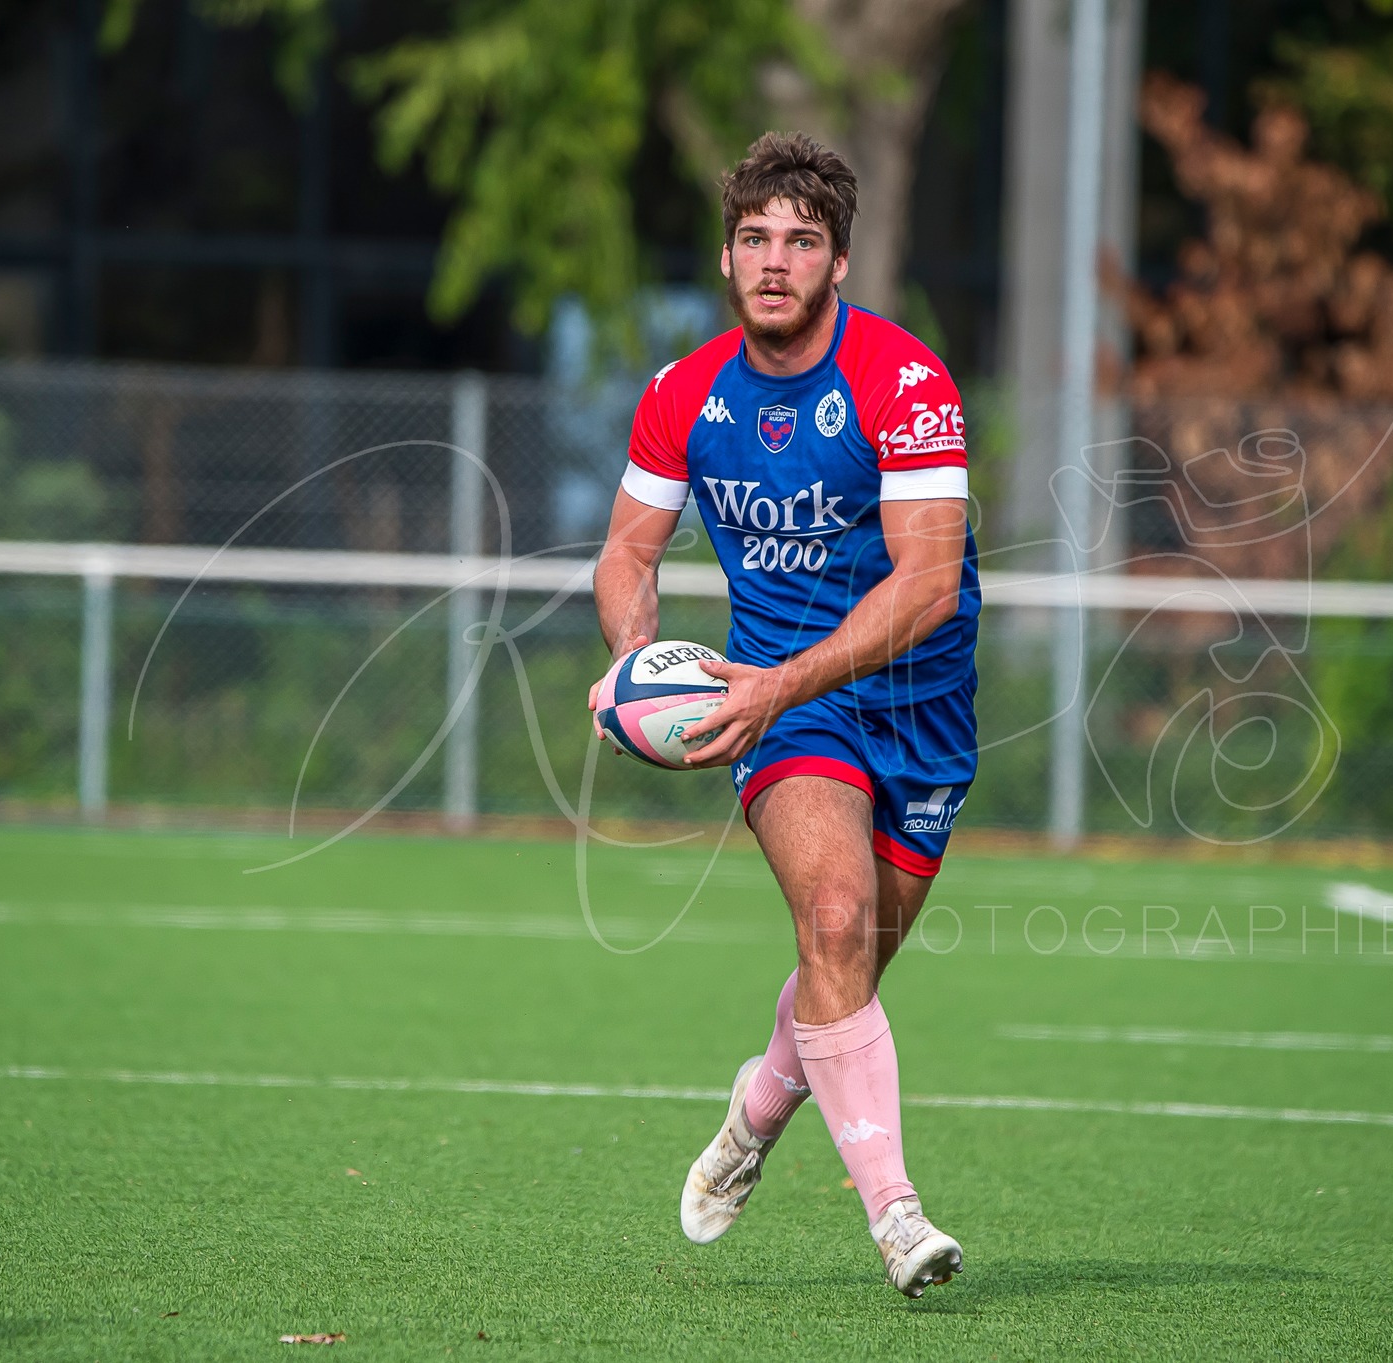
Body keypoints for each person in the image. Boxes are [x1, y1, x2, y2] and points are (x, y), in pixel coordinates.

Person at [588, 131, 981, 1298]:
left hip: (918, 703)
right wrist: (640, 668)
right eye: (754, 238)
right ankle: (898, 1218)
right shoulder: (683, 394)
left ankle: (757, 1109)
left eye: (800, 241)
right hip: (782, 711)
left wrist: (773, 682)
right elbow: (625, 552)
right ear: (723, 257)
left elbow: (920, 584)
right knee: (833, 910)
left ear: (840, 263)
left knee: (848, 959)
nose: (774, 261)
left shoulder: (905, 381)